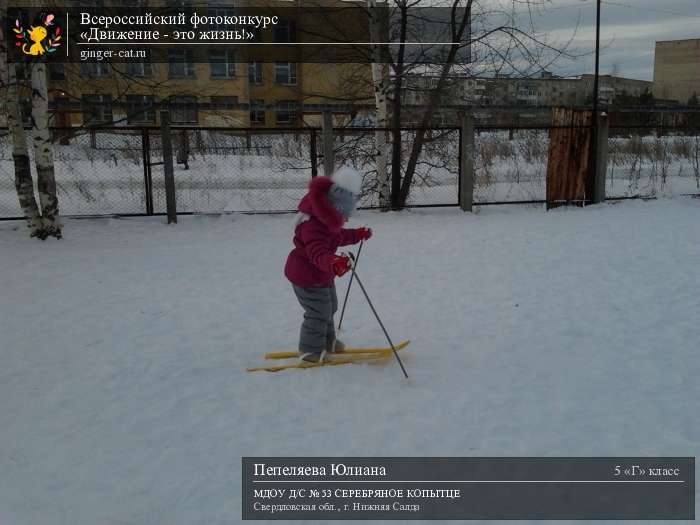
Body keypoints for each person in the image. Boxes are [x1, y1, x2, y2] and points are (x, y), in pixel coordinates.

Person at [284, 167, 373, 363]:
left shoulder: (326, 221)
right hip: (306, 276)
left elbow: (337, 236)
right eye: (345, 215)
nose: (347, 219)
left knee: (330, 306)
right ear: (336, 209)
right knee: (318, 311)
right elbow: (317, 253)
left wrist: (356, 234)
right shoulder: (313, 225)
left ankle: (327, 341)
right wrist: (333, 262)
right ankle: (309, 350)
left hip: (321, 274)